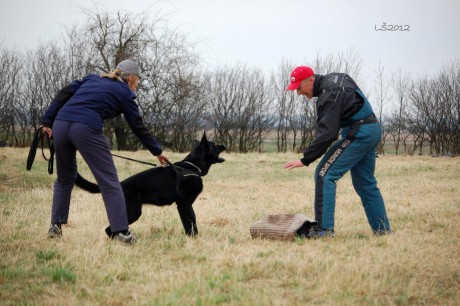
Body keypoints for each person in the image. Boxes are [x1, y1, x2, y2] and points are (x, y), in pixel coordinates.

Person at [41, 59, 169, 244]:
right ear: (130, 77)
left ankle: (55, 226)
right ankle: (121, 232)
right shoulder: (125, 93)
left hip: (60, 125)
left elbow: (64, 93)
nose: (138, 84)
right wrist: (157, 151)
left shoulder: (91, 79)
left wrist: (47, 121)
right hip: (86, 128)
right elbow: (137, 125)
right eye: (138, 80)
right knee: (109, 181)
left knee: (65, 177)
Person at [283, 66, 391, 238]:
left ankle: (324, 231)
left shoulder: (328, 93)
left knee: (325, 174)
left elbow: (328, 133)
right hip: (372, 128)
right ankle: (382, 231)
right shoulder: (336, 78)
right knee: (365, 183)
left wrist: (306, 159)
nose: (297, 93)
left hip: (359, 132)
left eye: (298, 88)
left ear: (310, 80)